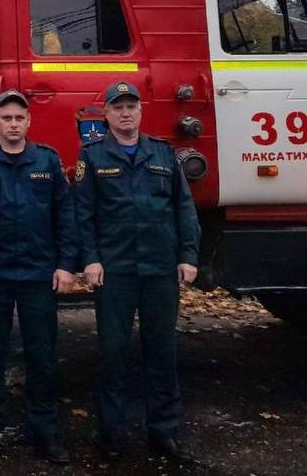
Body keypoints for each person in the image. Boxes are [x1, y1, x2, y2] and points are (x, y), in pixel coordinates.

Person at [73, 81, 200, 464]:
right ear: (107, 115)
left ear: (140, 112)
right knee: (113, 354)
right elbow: (84, 215)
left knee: (161, 352)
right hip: (115, 272)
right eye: (118, 107)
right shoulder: (92, 157)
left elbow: (184, 209)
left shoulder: (163, 154)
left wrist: (188, 255)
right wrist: (90, 259)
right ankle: (110, 435)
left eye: (131, 106)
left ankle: (164, 433)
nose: (125, 113)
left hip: (160, 269)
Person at [0, 89, 78, 464]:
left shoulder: (47, 160)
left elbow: (65, 216)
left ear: (29, 122)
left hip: (38, 275)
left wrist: (65, 265)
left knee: (42, 357)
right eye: (6, 118)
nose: (13, 124)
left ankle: (44, 431)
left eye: (19, 118)